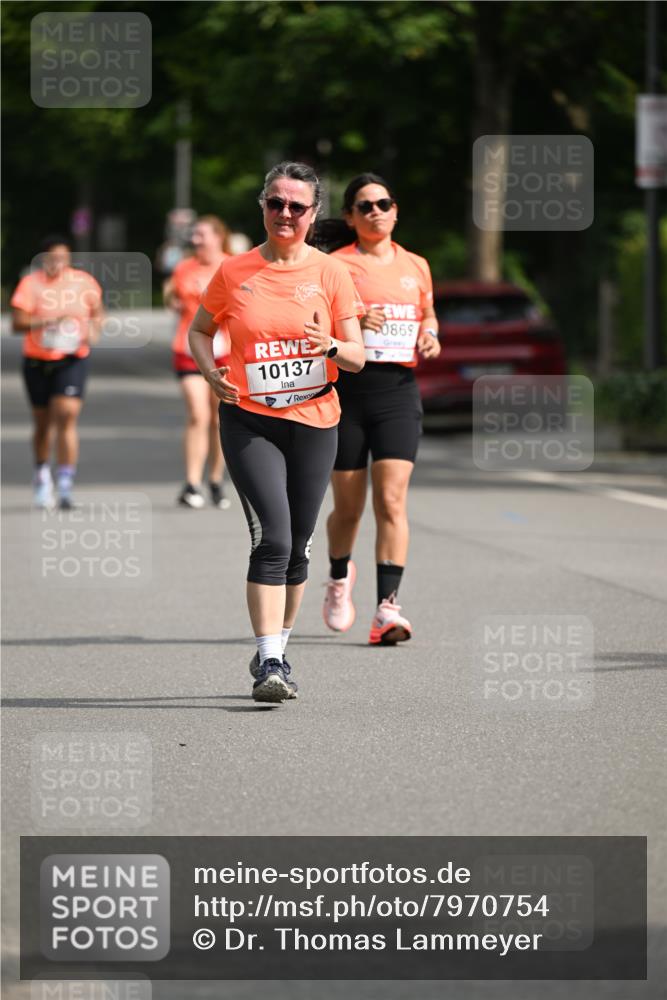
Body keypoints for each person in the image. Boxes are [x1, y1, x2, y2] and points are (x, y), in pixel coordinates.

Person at [188, 161, 365, 703]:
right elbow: (201, 330)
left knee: (300, 549)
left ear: (313, 214)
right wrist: (209, 371)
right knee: (274, 539)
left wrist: (330, 346)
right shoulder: (234, 271)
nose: (284, 213)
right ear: (262, 206)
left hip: (316, 419)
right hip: (250, 421)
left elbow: (356, 357)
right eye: (275, 203)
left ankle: (279, 650)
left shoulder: (332, 273)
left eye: (296, 206)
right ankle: (267, 660)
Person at [317, 173, 441, 645]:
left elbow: (427, 313)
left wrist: (431, 334)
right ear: (350, 216)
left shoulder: (416, 265)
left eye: (383, 203)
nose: (376, 212)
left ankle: (387, 609)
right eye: (365, 206)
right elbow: (311, 323)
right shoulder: (334, 265)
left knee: (391, 500)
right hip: (346, 392)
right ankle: (337, 576)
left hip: (397, 391)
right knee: (348, 508)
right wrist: (351, 320)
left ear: (395, 211)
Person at [11, 235, 104, 509]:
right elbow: (16, 324)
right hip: (37, 362)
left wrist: (93, 331)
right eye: (53, 258)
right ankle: (42, 475)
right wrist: (51, 320)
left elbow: (98, 311)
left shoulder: (83, 282)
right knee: (43, 424)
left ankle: (65, 483)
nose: (58, 263)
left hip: (72, 358)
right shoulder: (31, 283)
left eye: (63, 257)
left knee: (66, 415)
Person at [163, 215, 232, 509]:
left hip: (226, 350)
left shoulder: (233, 265)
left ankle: (215, 480)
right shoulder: (184, 268)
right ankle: (192, 483)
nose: (196, 240)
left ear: (218, 236)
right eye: (194, 235)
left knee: (219, 419)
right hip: (188, 348)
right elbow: (172, 294)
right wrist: (172, 301)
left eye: (202, 234)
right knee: (197, 414)